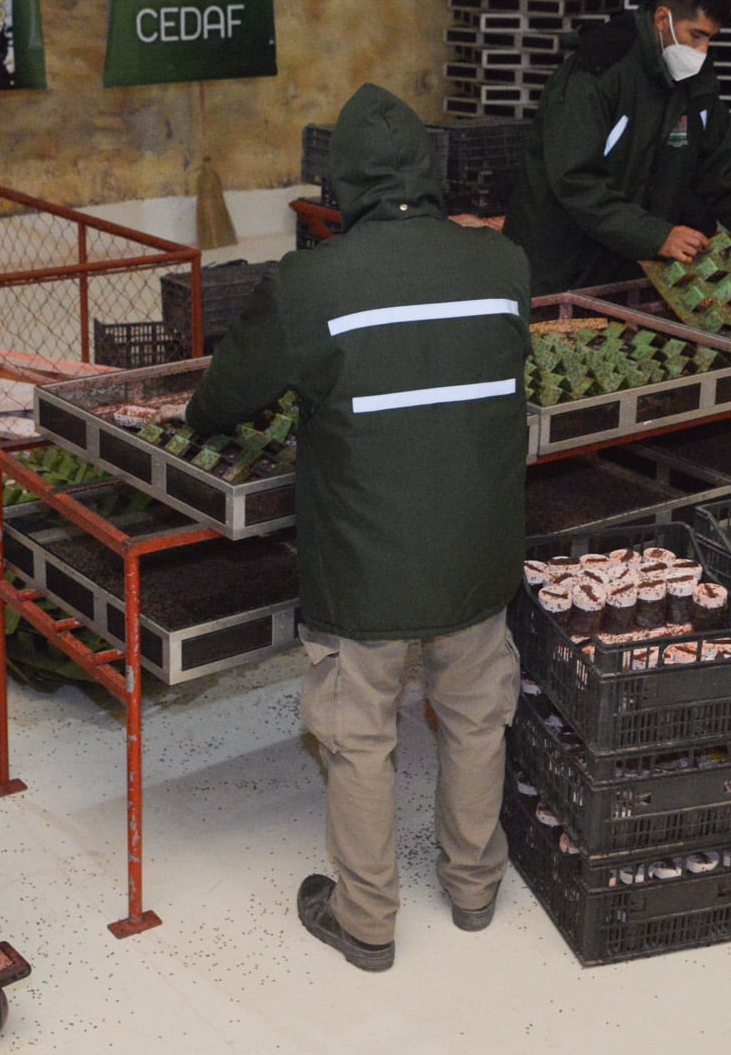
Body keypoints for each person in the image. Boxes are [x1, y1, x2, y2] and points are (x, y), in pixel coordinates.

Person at [185, 84, 530, 972]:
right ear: (429, 170)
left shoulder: (313, 284)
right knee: (475, 717)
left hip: (365, 562)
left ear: (340, 187)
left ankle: (367, 919)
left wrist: (206, 416)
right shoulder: (505, 269)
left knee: (360, 735)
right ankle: (474, 884)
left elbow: (224, 399)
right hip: (475, 553)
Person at [505, 0, 731, 296]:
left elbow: (726, 175)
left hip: (631, 264)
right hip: (563, 264)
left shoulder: (696, 84)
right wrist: (656, 235)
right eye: (697, 35)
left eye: (711, 39)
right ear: (663, 19)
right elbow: (576, 180)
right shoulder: (596, 72)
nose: (702, 52)